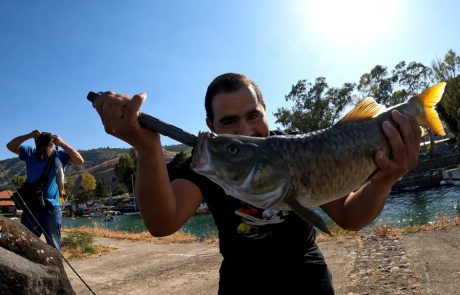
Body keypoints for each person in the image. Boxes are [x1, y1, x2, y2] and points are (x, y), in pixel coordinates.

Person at [93, 73, 421, 294]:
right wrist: (146, 148)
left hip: (308, 278)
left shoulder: (300, 150)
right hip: (241, 283)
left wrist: (384, 180)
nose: (246, 130)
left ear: (266, 112)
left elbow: (349, 217)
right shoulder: (209, 162)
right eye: (230, 122)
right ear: (211, 126)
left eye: (253, 116)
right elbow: (163, 223)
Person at [7, 130, 84, 251]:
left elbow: (80, 161)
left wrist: (62, 143)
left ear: (51, 145)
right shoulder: (29, 152)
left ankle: (56, 269)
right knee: (25, 244)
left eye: (45, 148)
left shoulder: (60, 156)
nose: (41, 151)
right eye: (39, 147)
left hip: (51, 209)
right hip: (31, 208)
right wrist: (29, 135)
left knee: (53, 246)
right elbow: (10, 146)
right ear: (36, 144)